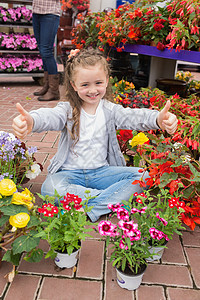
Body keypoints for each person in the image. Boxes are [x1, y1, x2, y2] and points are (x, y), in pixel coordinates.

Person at [12, 48, 178, 222]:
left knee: (144, 176)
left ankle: (87, 205)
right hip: (69, 174)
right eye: (85, 85)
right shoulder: (67, 110)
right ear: (74, 85)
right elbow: (49, 117)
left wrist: (158, 118)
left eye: (98, 83)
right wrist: (32, 120)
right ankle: (111, 201)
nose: (92, 90)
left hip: (102, 173)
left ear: (106, 81)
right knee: (50, 188)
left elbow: (134, 116)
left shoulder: (110, 110)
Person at [32, 0, 61, 101]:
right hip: (36, 12)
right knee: (42, 50)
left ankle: (54, 91)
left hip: (50, 14)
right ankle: (47, 85)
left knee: (46, 51)